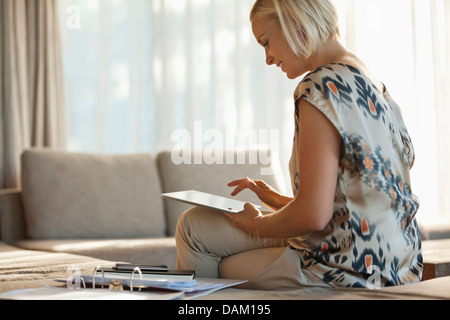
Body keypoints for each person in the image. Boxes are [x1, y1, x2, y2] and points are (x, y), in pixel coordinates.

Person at [176, 0, 423, 290]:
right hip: (398, 262)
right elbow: (356, 201)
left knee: (219, 261)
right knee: (195, 224)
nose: (268, 58)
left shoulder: (320, 86)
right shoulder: (377, 87)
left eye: (266, 42)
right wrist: (278, 201)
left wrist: (257, 224)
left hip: (346, 268)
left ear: (295, 22)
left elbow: (313, 216)